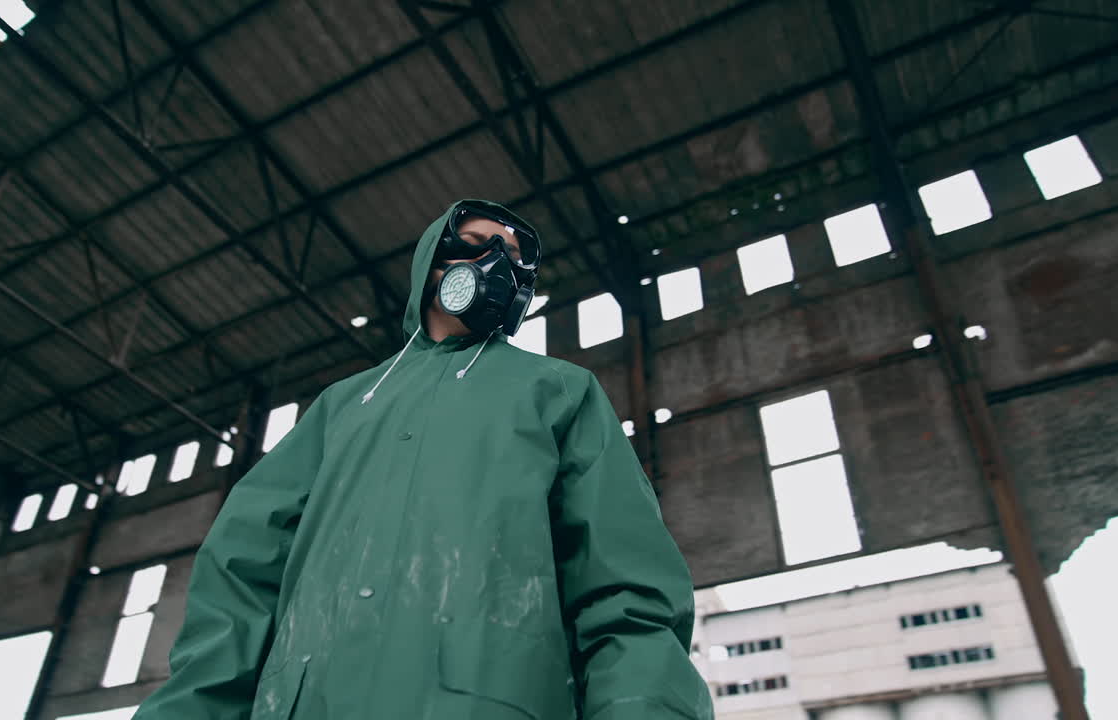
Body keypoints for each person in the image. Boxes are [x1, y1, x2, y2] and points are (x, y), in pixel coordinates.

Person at [133, 200, 712, 719]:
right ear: (432, 264)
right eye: (481, 246)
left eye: (513, 256)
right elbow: (241, 573)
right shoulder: (343, 404)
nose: (499, 264)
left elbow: (624, 588)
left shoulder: (558, 390)